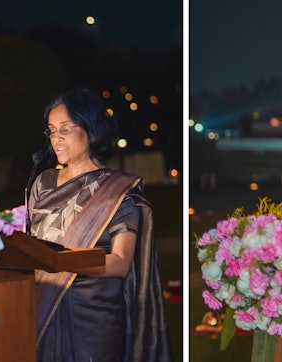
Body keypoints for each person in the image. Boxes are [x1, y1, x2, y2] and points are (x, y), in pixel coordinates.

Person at [29, 89, 170, 361]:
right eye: (51, 130)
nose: (57, 138)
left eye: (66, 129)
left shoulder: (118, 191)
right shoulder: (42, 184)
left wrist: (58, 260)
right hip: (41, 308)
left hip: (93, 321)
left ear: (91, 129)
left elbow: (120, 262)